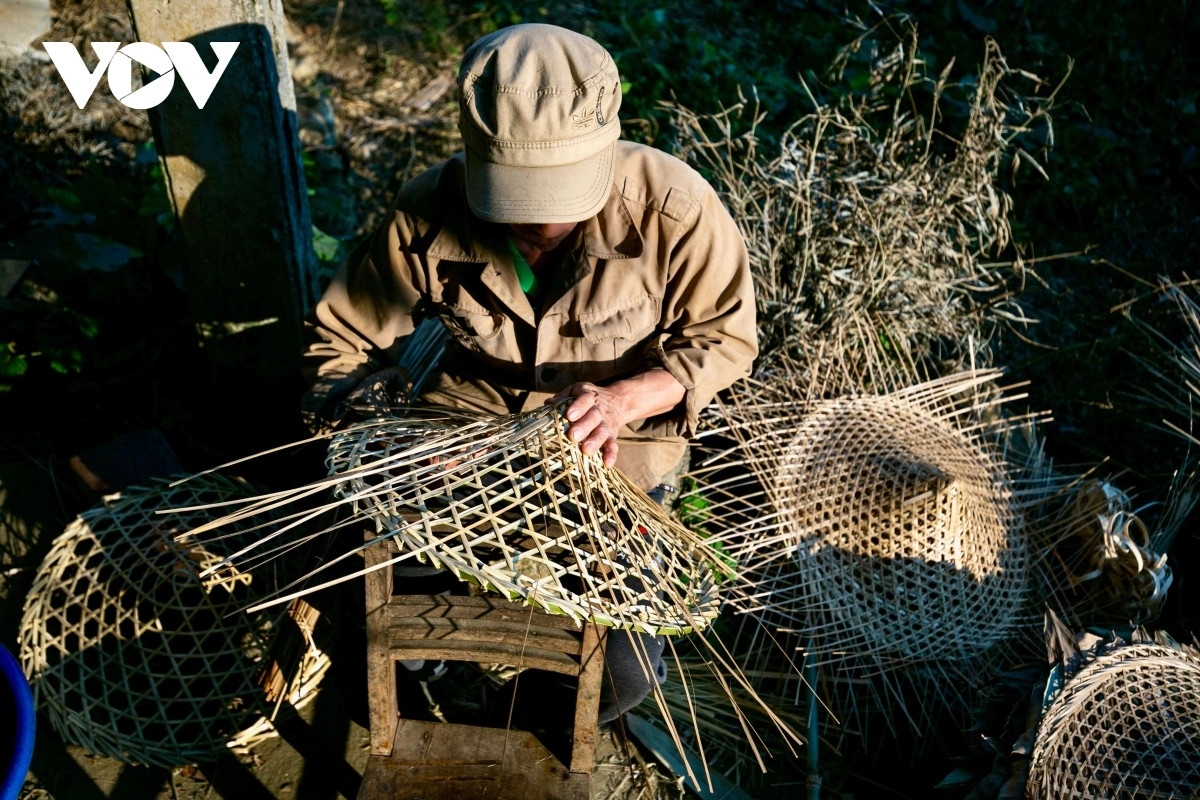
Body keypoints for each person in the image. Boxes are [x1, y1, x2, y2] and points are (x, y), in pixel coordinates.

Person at [300, 23, 757, 725]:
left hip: (615, 443)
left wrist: (627, 398)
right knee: (362, 591)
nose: (540, 226)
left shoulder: (677, 212)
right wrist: (390, 433)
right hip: (462, 430)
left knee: (624, 673)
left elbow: (725, 340)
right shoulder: (428, 210)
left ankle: (511, 724)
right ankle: (429, 683)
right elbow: (341, 343)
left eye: (561, 201)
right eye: (516, 202)